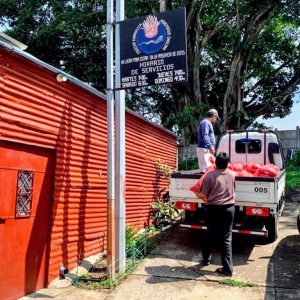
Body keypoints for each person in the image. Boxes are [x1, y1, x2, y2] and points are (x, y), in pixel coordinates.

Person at [195, 152, 235, 277]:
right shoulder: (232, 175)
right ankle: (228, 269)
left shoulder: (210, 176)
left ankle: (206, 260)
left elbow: (203, 195)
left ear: (215, 163)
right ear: (227, 163)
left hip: (214, 209)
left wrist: (196, 193)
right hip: (229, 209)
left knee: (210, 235)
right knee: (226, 238)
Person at [196, 109, 220, 173]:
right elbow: (205, 136)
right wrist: (210, 146)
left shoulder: (207, 123)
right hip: (204, 149)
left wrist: (211, 147)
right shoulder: (205, 122)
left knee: (210, 168)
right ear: (214, 116)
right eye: (216, 117)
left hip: (206, 149)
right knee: (206, 170)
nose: (216, 119)